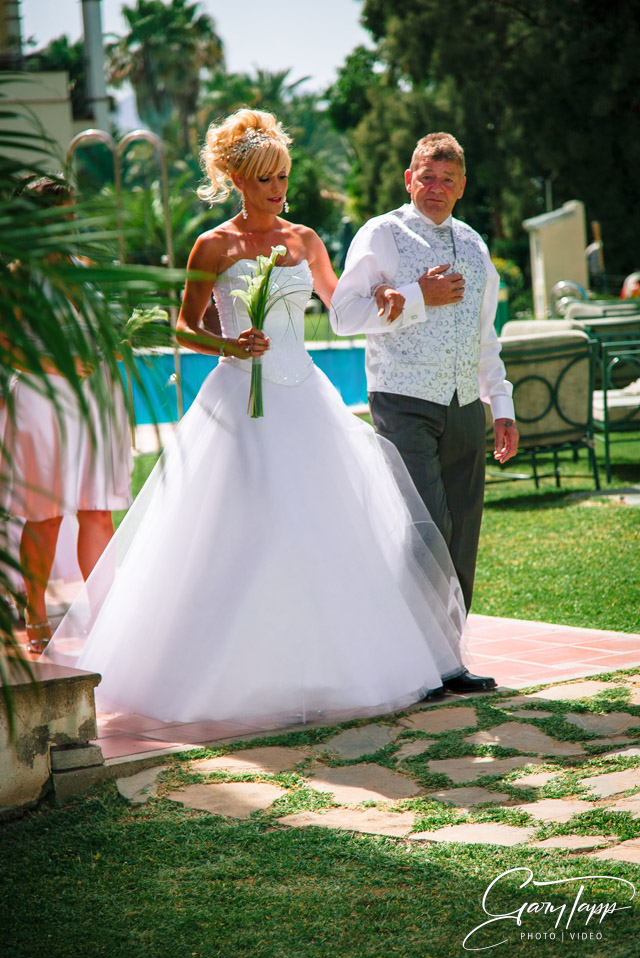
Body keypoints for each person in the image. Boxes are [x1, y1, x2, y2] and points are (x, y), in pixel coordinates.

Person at [43, 110, 469, 731]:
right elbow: (184, 327)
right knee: (241, 533)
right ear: (238, 180)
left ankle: (324, 668)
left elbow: (343, 308)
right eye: (265, 178)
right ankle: (229, 673)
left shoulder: (305, 240)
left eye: (283, 176)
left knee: (317, 532)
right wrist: (230, 345)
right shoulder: (212, 245)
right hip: (239, 403)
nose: (277, 188)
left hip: (306, 401)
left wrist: (398, 294)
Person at [331, 132, 520, 694]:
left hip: (464, 405)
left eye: (448, 179)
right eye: (427, 176)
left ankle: (447, 660)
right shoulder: (382, 234)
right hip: (403, 400)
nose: (436, 187)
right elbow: (342, 316)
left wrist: (501, 404)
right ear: (408, 179)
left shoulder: (475, 245)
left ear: (462, 187)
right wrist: (417, 295)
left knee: (461, 533)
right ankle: (411, 660)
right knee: (425, 532)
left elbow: (485, 334)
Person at [0, 176, 133, 654]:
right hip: (43, 399)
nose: (68, 222)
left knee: (98, 511)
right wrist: (58, 364)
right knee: (47, 515)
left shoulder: (87, 269)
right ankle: (34, 614)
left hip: (95, 396)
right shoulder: (15, 276)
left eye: (71, 213)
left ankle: (104, 618)